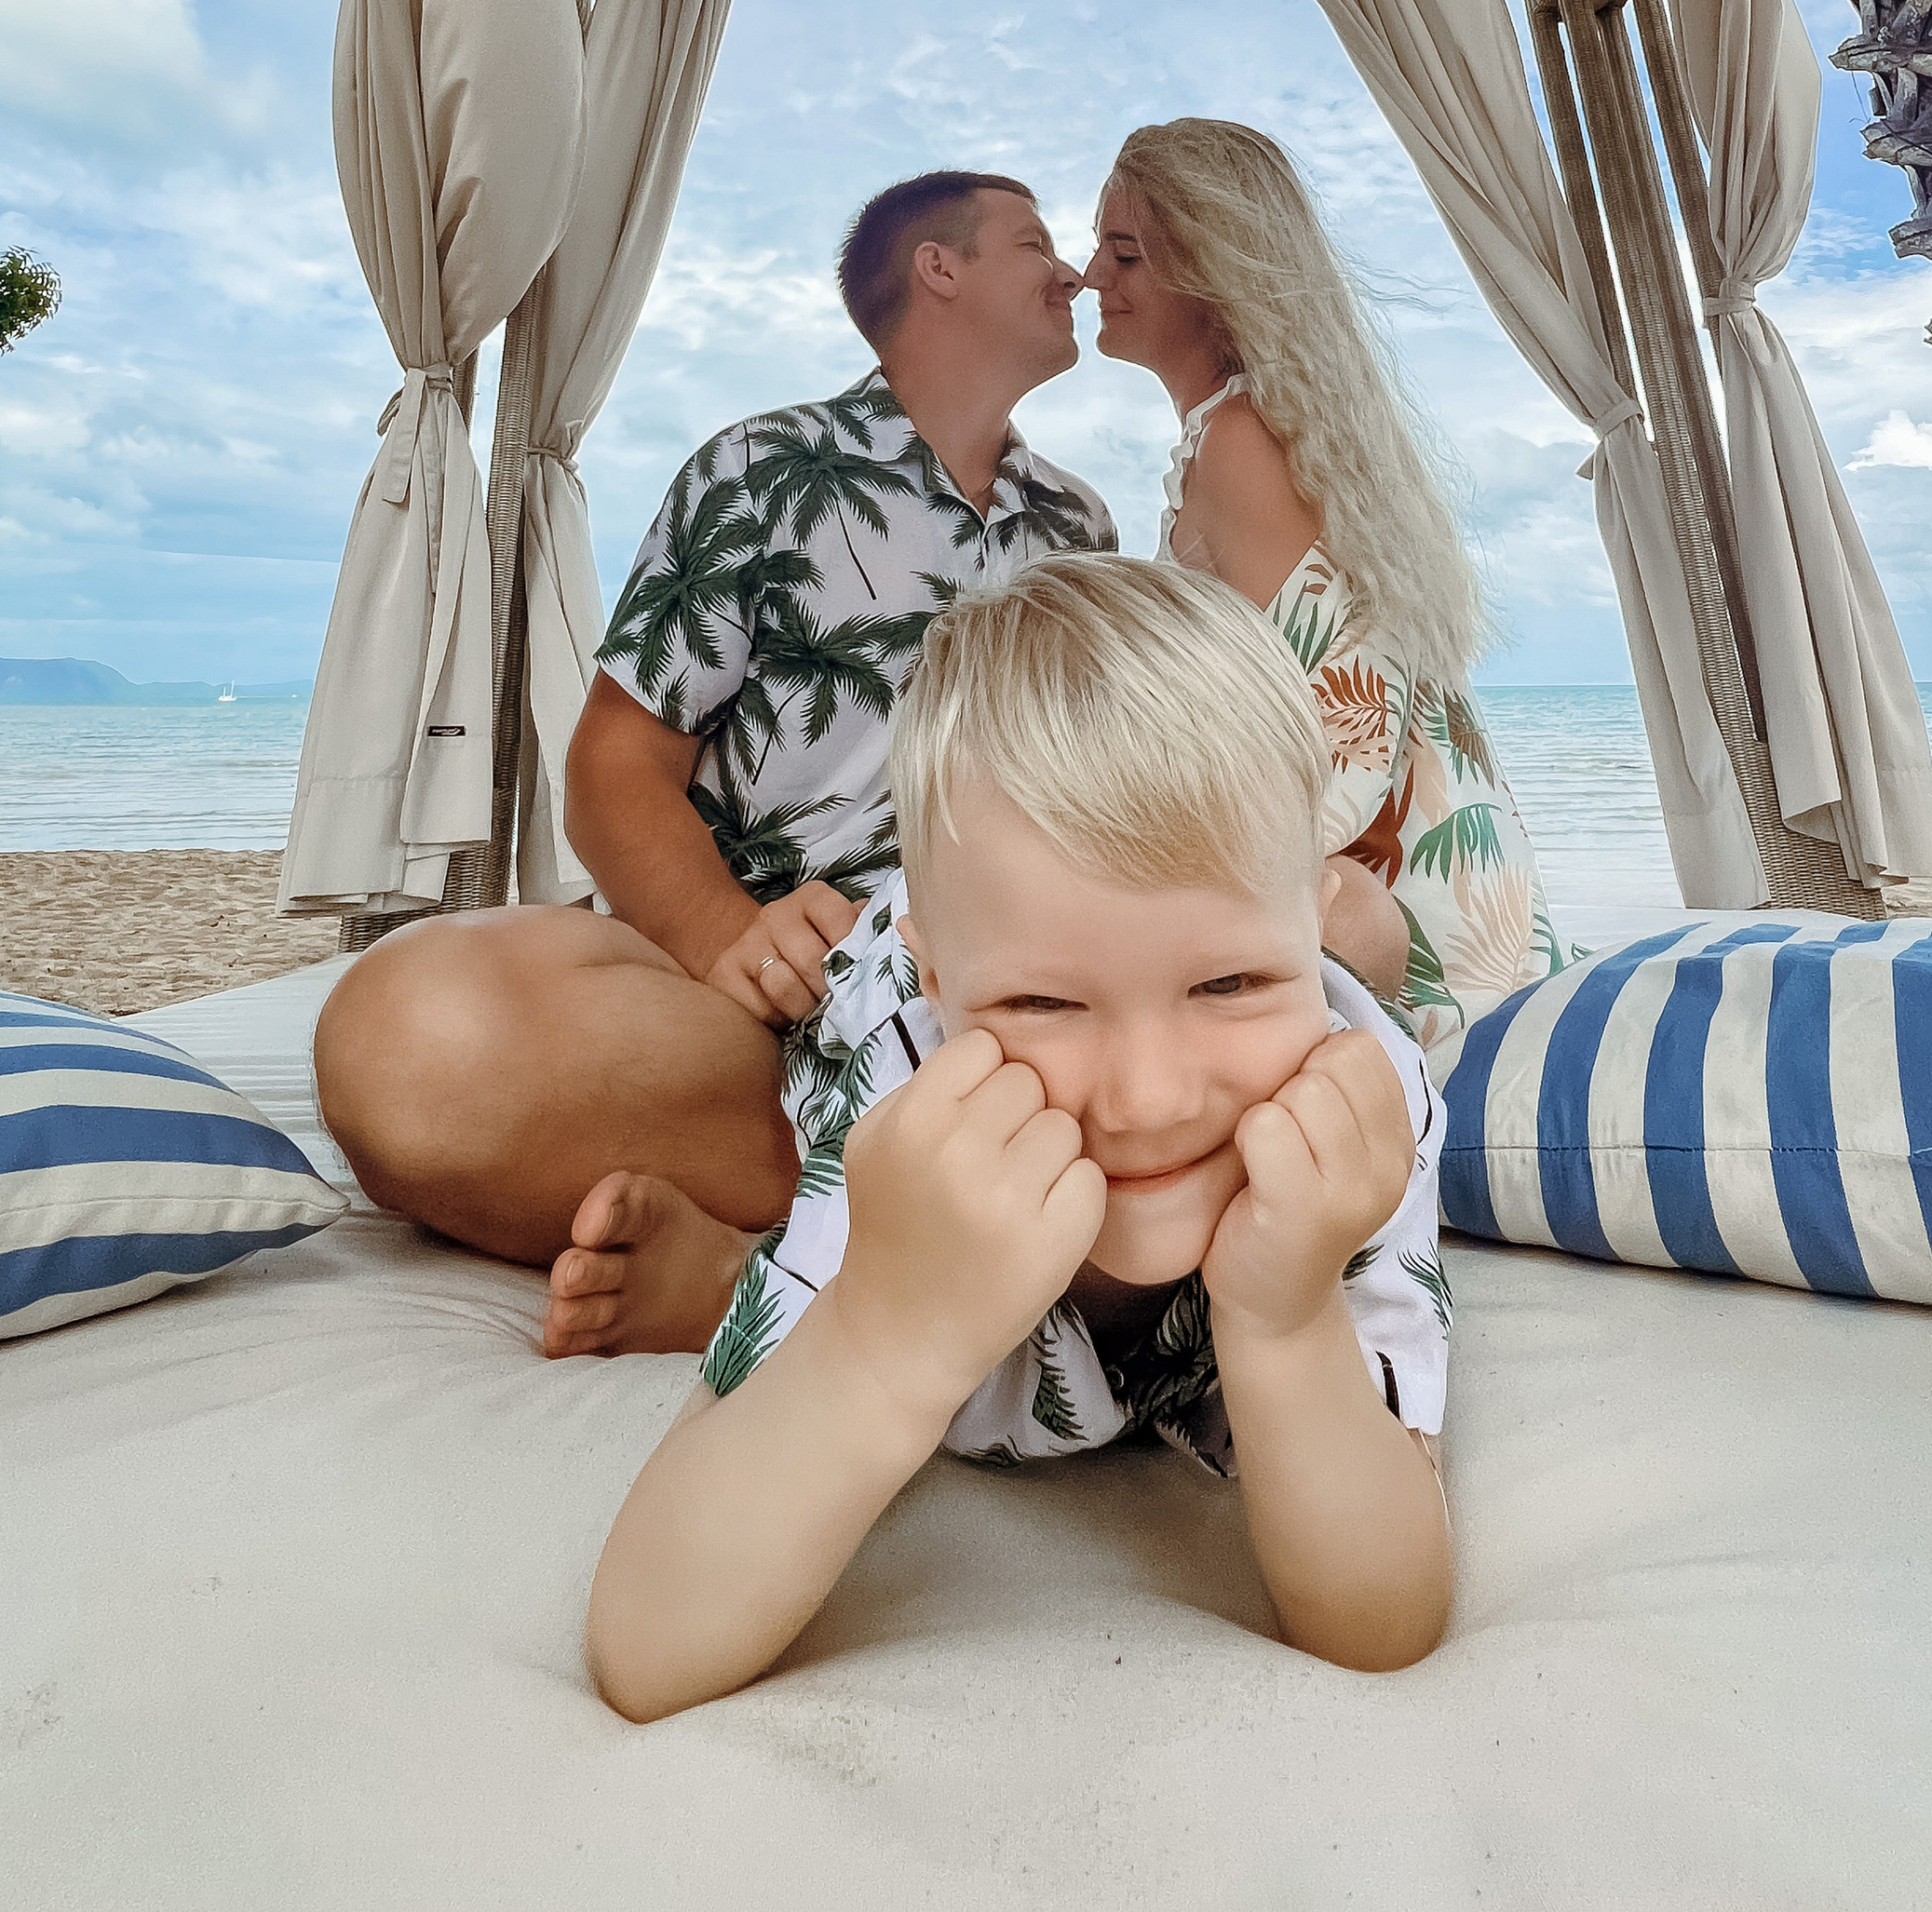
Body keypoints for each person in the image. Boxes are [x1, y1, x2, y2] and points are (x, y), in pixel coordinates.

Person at [584, 556, 1453, 1720]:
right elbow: (646, 1647)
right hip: (861, 984)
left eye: (1231, 980)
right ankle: (756, 1274)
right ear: (944, 987)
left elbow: (1384, 1619)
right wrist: (881, 1333)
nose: (1146, 1098)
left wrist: (1288, 1319)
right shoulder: (905, 1081)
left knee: (1386, 954)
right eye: (1043, 1003)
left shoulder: (1352, 1095)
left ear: (1309, 923)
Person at [313, 170, 1115, 1358]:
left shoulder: (1079, 531)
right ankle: (930, 1204)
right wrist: (728, 940)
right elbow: (613, 765)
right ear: (938, 269)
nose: (1074, 271)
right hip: (758, 1001)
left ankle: (775, 1263)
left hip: (1002, 999)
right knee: (406, 1040)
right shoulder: (761, 471)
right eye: (1036, 242)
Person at [1082, 118, 1562, 1068]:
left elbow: (1340, 735)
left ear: (1213, 270)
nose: (1093, 275)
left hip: (1408, 928)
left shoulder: (1244, 442)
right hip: (1454, 893)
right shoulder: (1251, 431)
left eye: (1125, 252)